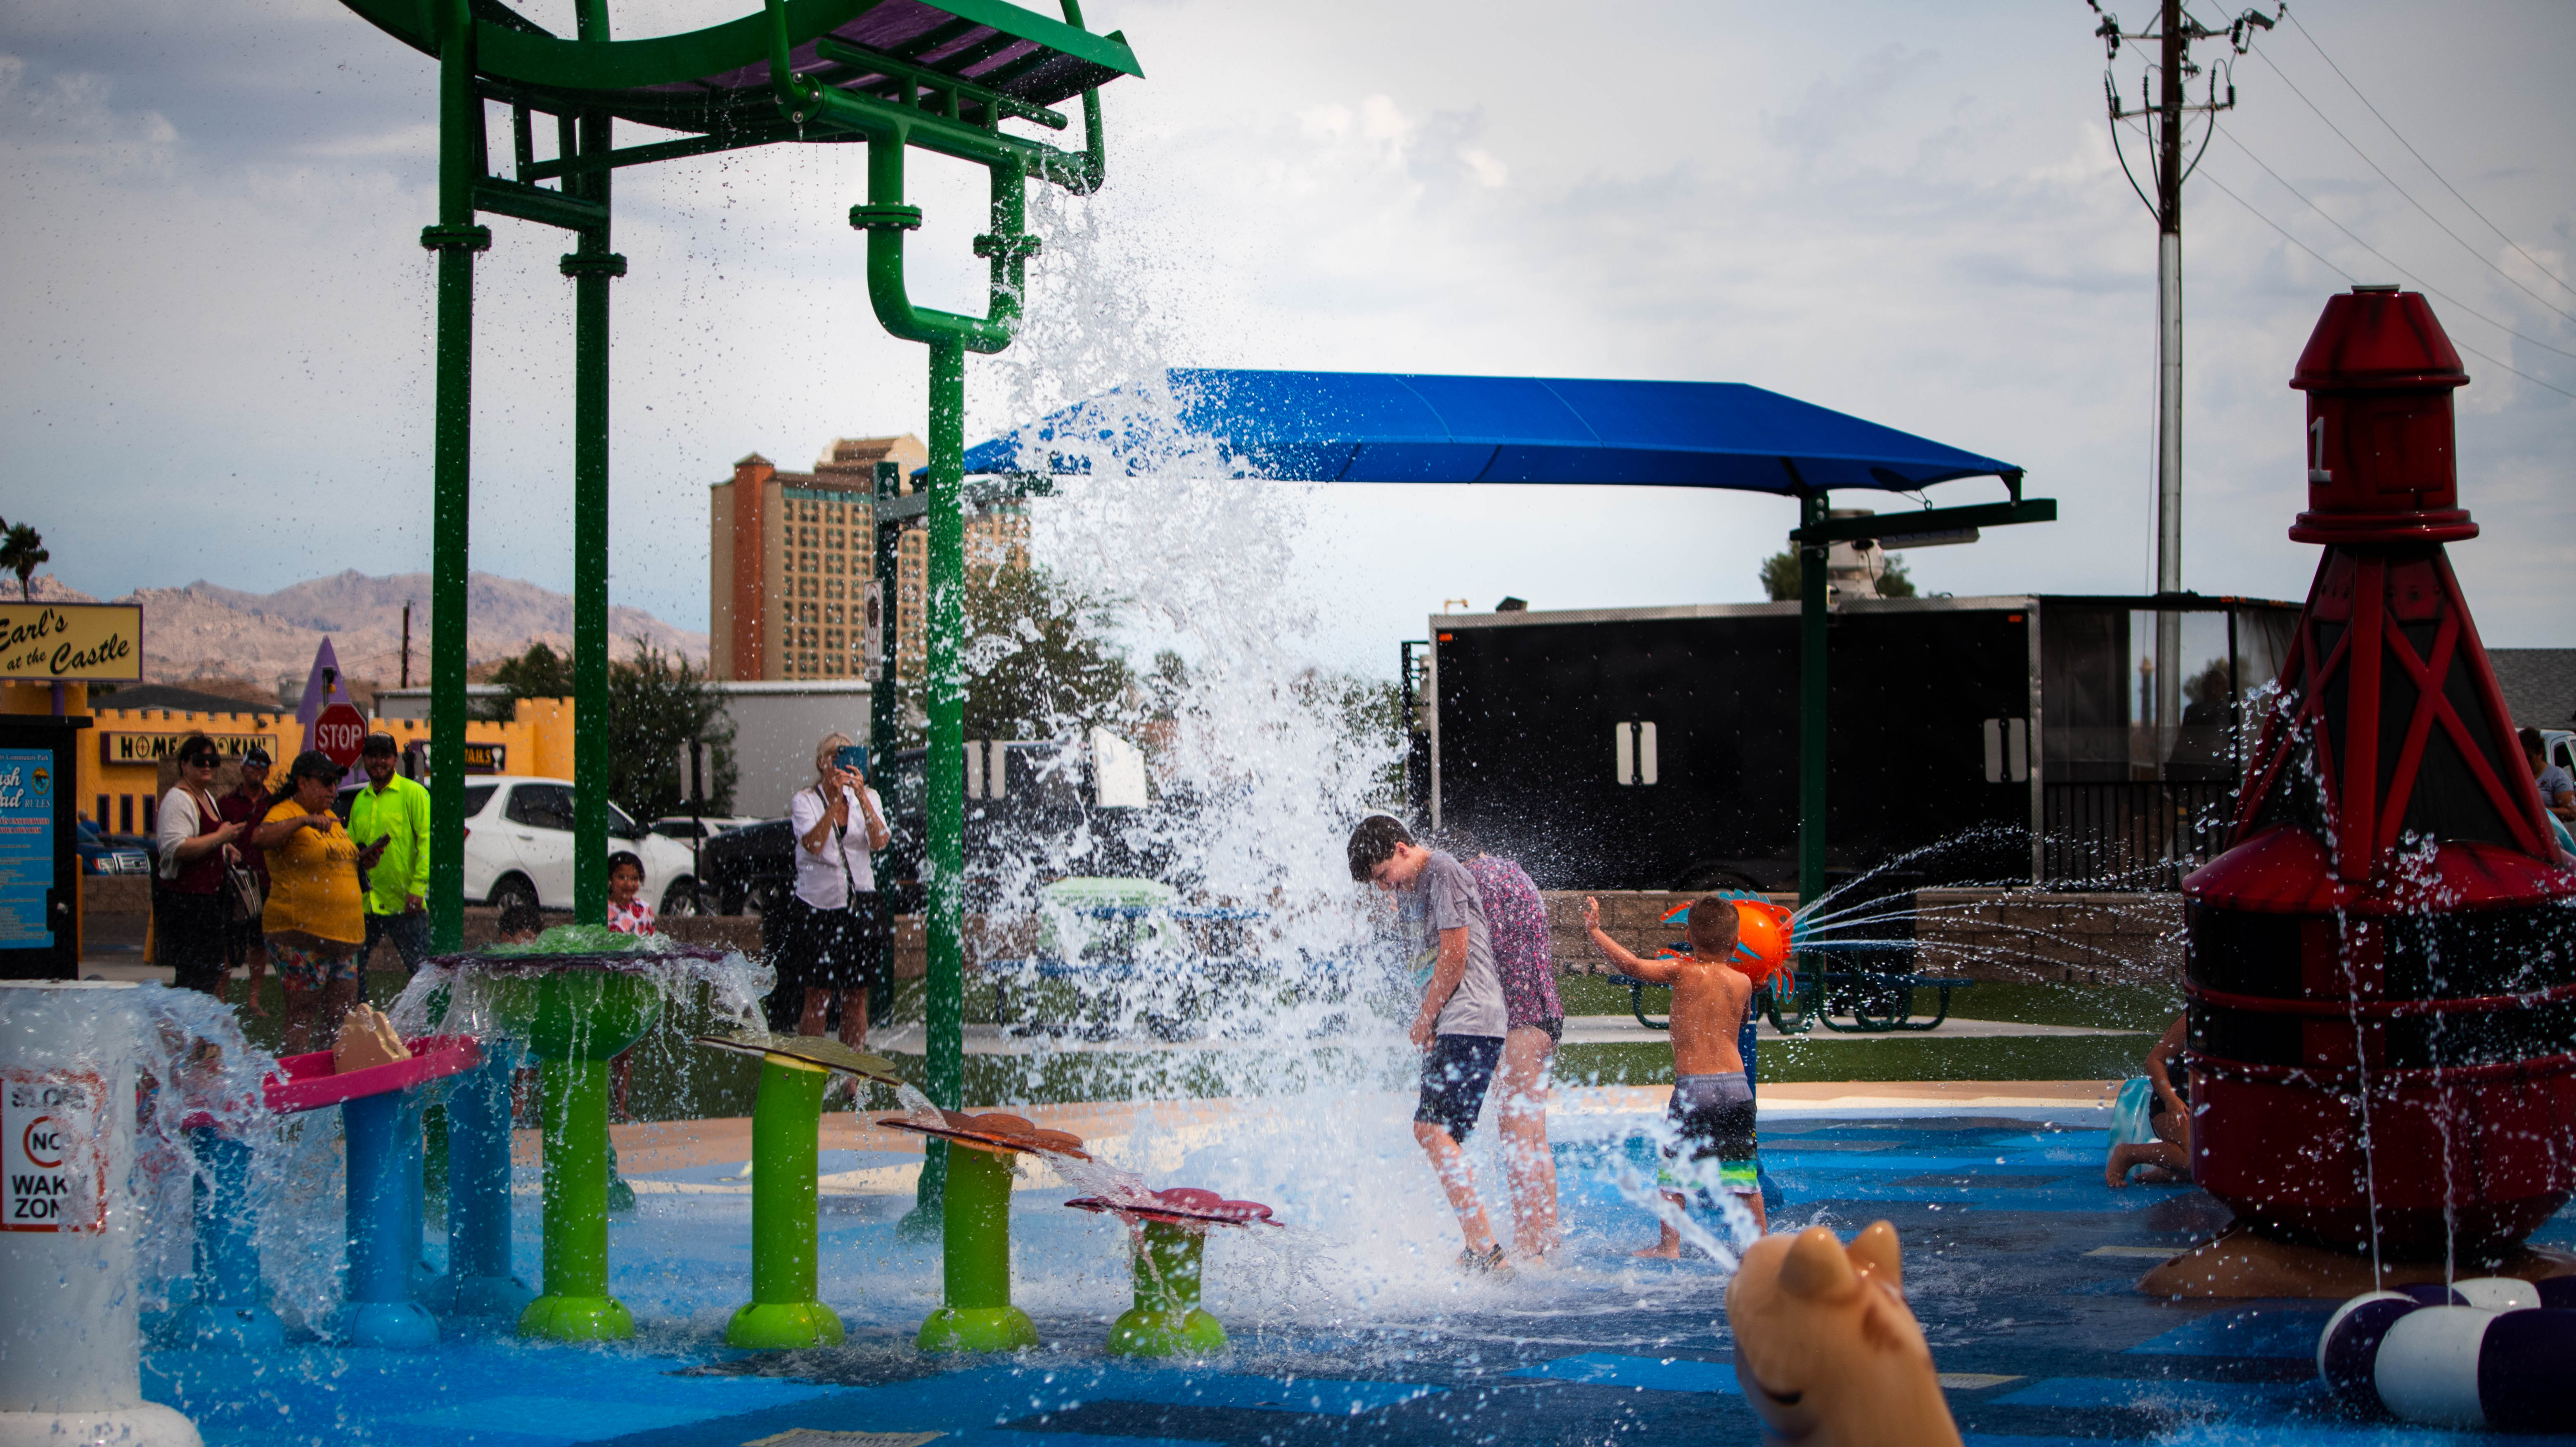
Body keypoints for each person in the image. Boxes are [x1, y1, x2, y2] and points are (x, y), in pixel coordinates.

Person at [1347, 814, 1513, 1276]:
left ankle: (1487, 1249)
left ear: (1402, 848)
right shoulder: (1413, 891)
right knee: (1445, 1135)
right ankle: (1477, 1244)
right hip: (1456, 1022)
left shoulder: (1442, 870)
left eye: (1384, 876)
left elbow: (1455, 953)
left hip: (1472, 1017)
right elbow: (1428, 964)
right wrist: (1431, 1024)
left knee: (1430, 1129)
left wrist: (1424, 1020)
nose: (1385, 888)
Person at [1583, 891, 1767, 1253]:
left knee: (1674, 1168)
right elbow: (1742, 1020)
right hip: (1736, 1088)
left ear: (1690, 938)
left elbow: (1633, 966)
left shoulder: (1682, 971)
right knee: (1744, 1174)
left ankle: (1669, 1246)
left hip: (1694, 1087)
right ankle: (1762, 1249)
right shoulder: (1743, 983)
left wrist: (1595, 931)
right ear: (1735, 942)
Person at [1456, 842, 1563, 1261]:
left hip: (1520, 1018)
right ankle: (1549, 1234)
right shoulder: (1519, 876)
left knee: (1516, 1135)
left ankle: (1528, 1244)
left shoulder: (1472, 882)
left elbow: (1471, 952)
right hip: (1547, 1013)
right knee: (1534, 1132)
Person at [255, 750, 384, 1054]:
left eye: (336, 782)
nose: (333, 788)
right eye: (326, 781)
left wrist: (363, 862)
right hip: (300, 936)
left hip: (342, 941)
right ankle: (296, 1086)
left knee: (340, 1020)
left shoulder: (330, 818)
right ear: (302, 782)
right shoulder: (286, 812)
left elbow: (334, 863)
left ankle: (329, 1089)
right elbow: (260, 838)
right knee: (302, 1016)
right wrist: (303, 820)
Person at [781, 732, 892, 1050]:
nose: (841, 763)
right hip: (818, 908)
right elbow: (814, 844)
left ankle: (852, 1075)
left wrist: (861, 799)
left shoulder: (868, 797)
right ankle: (811, 1070)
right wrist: (832, 804)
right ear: (822, 763)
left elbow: (880, 841)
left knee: (855, 996)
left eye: (847, 755)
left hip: (860, 908)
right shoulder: (805, 800)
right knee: (818, 995)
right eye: (834, 756)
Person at [154, 733, 249, 999]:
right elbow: (177, 848)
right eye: (199, 760)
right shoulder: (178, 799)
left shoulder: (205, 795)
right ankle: (187, 1034)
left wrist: (224, 848)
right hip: (186, 902)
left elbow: (202, 838)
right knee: (194, 975)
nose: (207, 766)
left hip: (207, 900)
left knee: (211, 969)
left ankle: (198, 1034)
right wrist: (220, 837)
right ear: (184, 764)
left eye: (212, 760)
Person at [348, 732, 431, 978]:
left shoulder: (413, 793)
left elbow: (428, 842)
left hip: (405, 904)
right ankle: (360, 1017)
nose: (378, 762)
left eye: (385, 756)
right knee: (350, 973)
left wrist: (418, 889)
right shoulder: (359, 801)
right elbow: (352, 852)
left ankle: (432, 1018)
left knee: (423, 976)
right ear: (364, 760)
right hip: (367, 905)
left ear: (395, 760)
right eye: (372, 756)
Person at [214, 748, 275, 1015]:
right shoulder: (225, 804)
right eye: (252, 764)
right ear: (243, 768)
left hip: (265, 881)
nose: (257, 769)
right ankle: (220, 998)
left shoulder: (274, 804)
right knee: (228, 942)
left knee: (258, 944)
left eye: (263, 765)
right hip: (235, 883)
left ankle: (253, 1001)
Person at [2106, 1014, 2192, 1187]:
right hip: (2175, 1105)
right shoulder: (2194, 1018)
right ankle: (2129, 1154)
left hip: (2208, 1108)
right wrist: (2171, 1100)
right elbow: (2154, 1060)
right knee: (2194, 1161)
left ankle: (2174, 1171)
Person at [2523, 727, 2575, 826]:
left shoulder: (2556, 776)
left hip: (2551, 835)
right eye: (2522, 757)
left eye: (2530, 757)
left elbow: (2572, 813)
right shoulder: (2516, 775)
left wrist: (2541, 812)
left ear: (2541, 753)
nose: (2526, 761)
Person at [605, 850, 656, 935]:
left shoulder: (645, 909)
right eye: (622, 878)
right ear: (610, 878)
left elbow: (651, 943)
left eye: (634, 879)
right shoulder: (602, 909)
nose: (629, 884)